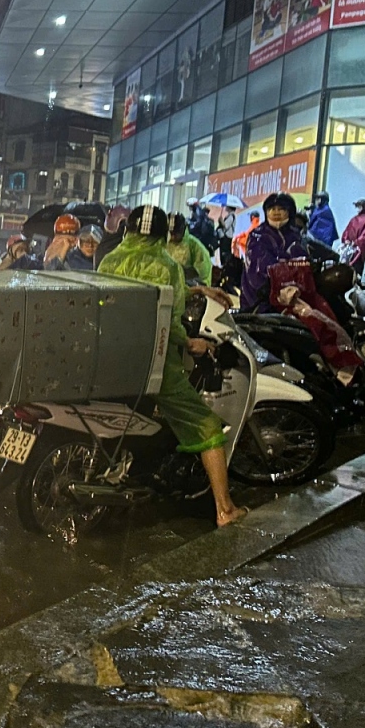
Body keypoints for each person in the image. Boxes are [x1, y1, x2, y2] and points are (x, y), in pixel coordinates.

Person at [98, 205, 245, 528]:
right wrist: (190, 342)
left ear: (128, 231)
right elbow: (171, 320)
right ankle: (225, 509)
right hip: (152, 363)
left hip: (108, 359)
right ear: (164, 235)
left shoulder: (108, 260)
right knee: (206, 425)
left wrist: (200, 289)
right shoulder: (168, 266)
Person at [241, 192, 307, 313]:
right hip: (261, 298)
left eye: (281, 209)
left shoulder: (297, 236)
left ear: (290, 212)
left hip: (295, 293)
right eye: (271, 209)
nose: (276, 212)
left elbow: (304, 258)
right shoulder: (258, 236)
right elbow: (259, 268)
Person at [167, 213, 213, 285]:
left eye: (175, 233)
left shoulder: (195, 246)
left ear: (183, 229)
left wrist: (179, 273)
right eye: (170, 233)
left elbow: (202, 272)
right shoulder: (165, 243)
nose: (172, 237)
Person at [341, 199, 365, 274]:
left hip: (358, 251)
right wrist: (346, 239)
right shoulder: (354, 219)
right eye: (357, 206)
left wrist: (355, 242)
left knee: (356, 269)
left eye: (359, 206)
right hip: (349, 249)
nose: (358, 208)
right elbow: (347, 231)